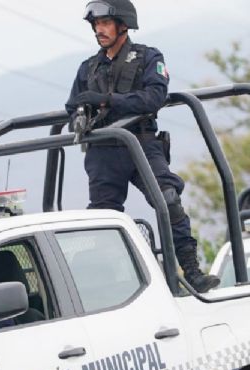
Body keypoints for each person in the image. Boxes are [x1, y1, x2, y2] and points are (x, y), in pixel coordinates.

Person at [65, 0, 220, 293]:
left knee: (168, 199)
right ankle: (108, 285)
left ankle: (191, 271)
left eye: (105, 23)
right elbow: (72, 105)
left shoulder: (148, 57)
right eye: (96, 25)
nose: (100, 30)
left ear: (123, 24)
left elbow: (154, 97)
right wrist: (79, 117)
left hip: (141, 143)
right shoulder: (88, 68)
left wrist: (109, 101)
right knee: (103, 218)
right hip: (103, 150)